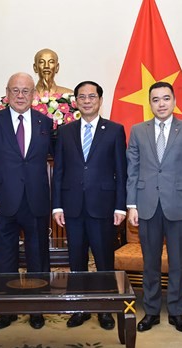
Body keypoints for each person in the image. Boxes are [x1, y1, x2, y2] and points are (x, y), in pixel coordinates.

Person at [0, 72, 53, 330]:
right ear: (7, 93)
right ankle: (6, 309)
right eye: (15, 91)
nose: (20, 96)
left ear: (34, 95)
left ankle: (37, 308)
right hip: (2, 200)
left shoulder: (45, 122)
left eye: (26, 91)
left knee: (38, 257)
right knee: (4, 257)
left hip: (36, 200)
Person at [126, 81, 182, 333]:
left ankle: (177, 312)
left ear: (174, 101)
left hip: (179, 207)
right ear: (150, 103)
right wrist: (132, 204)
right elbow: (133, 170)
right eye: (156, 99)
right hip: (147, 205)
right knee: (150, 262)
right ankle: (150, 311)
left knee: (178, 263)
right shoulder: (138, 130)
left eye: (166, 98)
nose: (161, 103)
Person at [52, 81, 127, 330]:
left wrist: (120, 206)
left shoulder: (115, 130)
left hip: (103, 207)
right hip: (72, 208)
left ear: (100, 99)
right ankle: (80, 307)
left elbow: (121, 171)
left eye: (91, 96)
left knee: (104, 260)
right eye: (81, 97)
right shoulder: (65, 132)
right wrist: (57, 206)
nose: (86, 100)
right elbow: (59, 171)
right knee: (76, 261)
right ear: (76, 101)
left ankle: (105, 309)